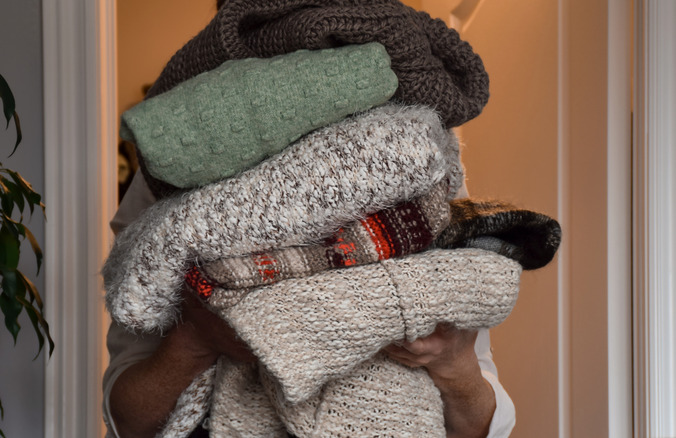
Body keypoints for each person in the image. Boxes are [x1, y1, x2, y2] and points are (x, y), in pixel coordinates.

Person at [103, 1, 515, 437]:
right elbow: (127, 419)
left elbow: (485, 426)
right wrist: (194, 343)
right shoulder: (174, 169)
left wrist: (453, 364)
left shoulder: (422, 167)